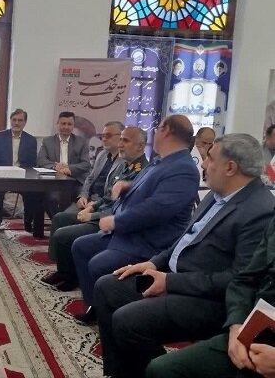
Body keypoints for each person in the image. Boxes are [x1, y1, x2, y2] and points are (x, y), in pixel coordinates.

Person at [93, 133, 275, 377]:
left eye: (210, 158)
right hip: (176, 277)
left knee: (128, 321)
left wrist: (170, 282)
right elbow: (184, 241)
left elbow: (237, 279)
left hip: (209, 299)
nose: (203, 163)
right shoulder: (217, 194)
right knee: (107, 287)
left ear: (230, 168)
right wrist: (153, 263)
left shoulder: (259, 211)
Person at [71, 115, 200, 324]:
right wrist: (127, 186)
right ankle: (96, 305)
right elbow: (150, 189)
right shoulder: (161, 160)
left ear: (166, 131)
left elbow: (157, 209)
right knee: (81, 246)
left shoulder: (183, 168)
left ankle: (115, 314)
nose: (155, 132)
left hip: (148, 240)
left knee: (98, 264)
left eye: (158, 128)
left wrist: (115, 221)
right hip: (129, 233)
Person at [146, 221, 275, 378]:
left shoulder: (258, 211)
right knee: (162, 370)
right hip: (257, 332)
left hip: (211, 298)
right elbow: (245, 281)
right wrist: (237, 326)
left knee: (133, 320)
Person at [42, 125, 147, 292]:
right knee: (60, 218)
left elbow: (123, 208)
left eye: (125, 140)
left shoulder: (141, 172)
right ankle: (63, 272)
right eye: (120, 139)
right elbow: (107, 195)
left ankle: (72, 277)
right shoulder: (125, 164)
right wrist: (91, 208)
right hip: (99, 209)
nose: (120, 144)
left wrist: (93, 215)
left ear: (140, 146)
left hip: (110, 221)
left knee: (64, 235)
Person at [0, 109, 41, 236]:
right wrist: (6, 172)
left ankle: (27, 222)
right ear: (10, 121)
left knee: (33, 193)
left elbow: (32, 163)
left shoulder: (31, 140)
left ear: (25, 122)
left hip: (23, 177)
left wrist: (20, 172)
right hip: (3, 176)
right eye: (14, 120)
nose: (17, 123)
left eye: (20, 120)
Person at [37, 111, 90, 217]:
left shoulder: (81, 142)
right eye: (63, 123)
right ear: (57, 124)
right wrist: (55, 167)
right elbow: (41, 160)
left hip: (76, 181)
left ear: (73, 126)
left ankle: (68, 223)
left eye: (69, 124)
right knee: (50, 199)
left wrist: (69, 168)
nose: (66, 127)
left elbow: (86, 164)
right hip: (55, 182)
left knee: (83, 199)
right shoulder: (48, 141)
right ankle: (57, 222)